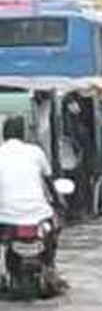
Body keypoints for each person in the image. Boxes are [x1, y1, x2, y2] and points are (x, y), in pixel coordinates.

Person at [0, 115, 60, 283]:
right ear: (23, 134)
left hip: (6, 217)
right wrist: (59, 201)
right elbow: (50, 181)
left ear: (4, 134)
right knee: (54, 229)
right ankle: (49, 267)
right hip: (38, 214)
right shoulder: (36, 152)